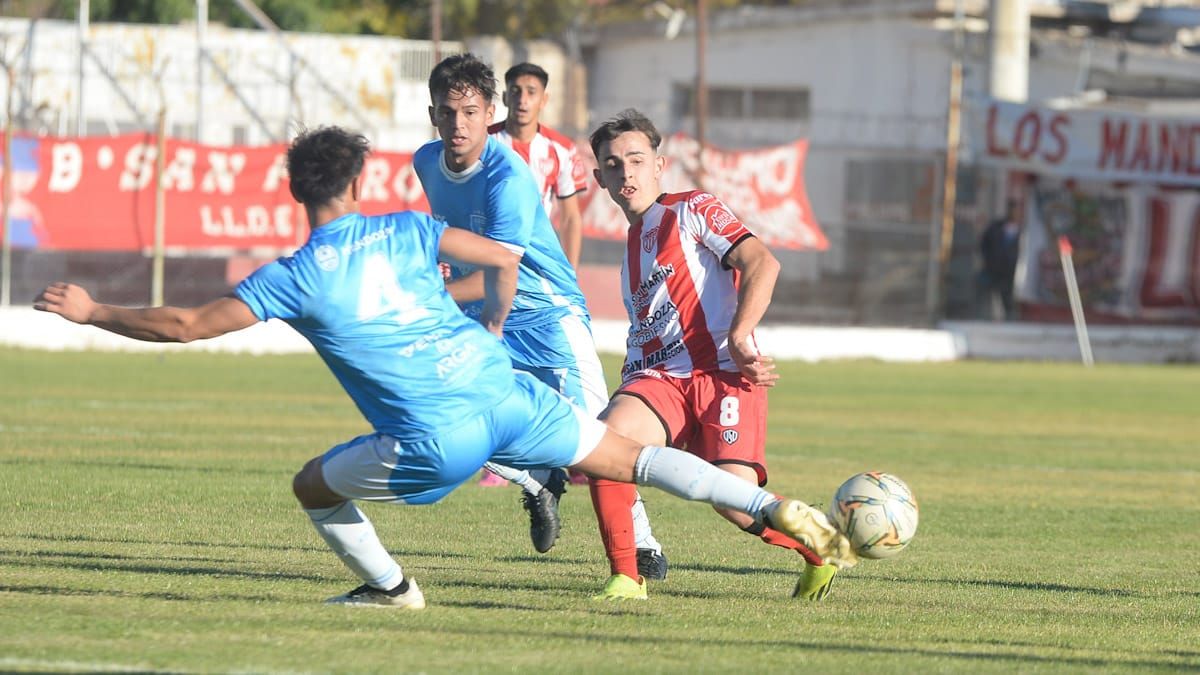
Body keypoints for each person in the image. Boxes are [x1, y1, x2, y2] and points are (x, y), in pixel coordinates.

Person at [32, 125, 856, 609]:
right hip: (507, 392)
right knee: (629, 458)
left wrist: (94, 311)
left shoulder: (295, 275)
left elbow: (185, 325)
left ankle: (390, 589)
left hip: (437, 434)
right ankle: (771, 505)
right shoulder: (403, 229)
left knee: (312, 486)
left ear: (296, 193)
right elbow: (502, 255)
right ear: (359, 182)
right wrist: (485, 308)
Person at [413, 53, 666, 578]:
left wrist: (428, 298)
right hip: (485, 316)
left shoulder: (508, 176)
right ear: (432, 114)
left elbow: (500, 269)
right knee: (444, 413)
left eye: (470, 112)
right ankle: (536, 480)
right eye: (447, 112)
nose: (458, 124)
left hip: (547, 317)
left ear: (490, 114)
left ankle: (642, 545)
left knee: (600, 437)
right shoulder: (426, 162)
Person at [585, 108, 840, 602]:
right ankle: (626, 578)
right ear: (600, 179)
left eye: (636, 160)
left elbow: (762, 261)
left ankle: (818, 549)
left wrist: (742, 335)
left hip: (723, 372)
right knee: (605, 446)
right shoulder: (631, 251)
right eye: (613, 165)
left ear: (659, 166)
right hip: (663, 379)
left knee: (736, 503)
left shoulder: (693, 208)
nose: (625, 172)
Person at [489, 62, 587, 270]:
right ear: (505, 98)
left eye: (531, 92)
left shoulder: (562, 149)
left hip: (536, 255)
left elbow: (570, 218)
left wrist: (570, 273)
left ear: (544, 100)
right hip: (489, 249)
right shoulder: (485, 142)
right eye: (516, 91)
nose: (522, 100)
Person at [979, 199, 1022, 320]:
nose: (1014, 213)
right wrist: (988, 259)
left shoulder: (1022, 229)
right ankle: (987, 315)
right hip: (995, 267)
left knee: (1008, 294)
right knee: (990, 291)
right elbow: (984, 243)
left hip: (1012, 270)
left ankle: (1008, 316)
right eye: (1012, 210)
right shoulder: (996, 227)